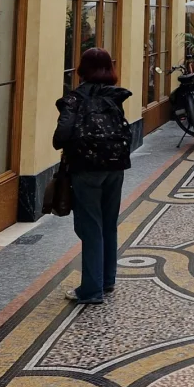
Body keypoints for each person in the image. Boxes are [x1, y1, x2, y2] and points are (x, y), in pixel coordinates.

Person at [52, 48, 132, 304]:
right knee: (108, 224)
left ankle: (91, 290)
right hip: (115, 167)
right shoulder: (115, 97)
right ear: (110, 69)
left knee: (91, 228)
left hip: (86, 169)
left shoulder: (75, 99)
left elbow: (60, 137)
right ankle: (107, 280)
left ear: (82, 70)